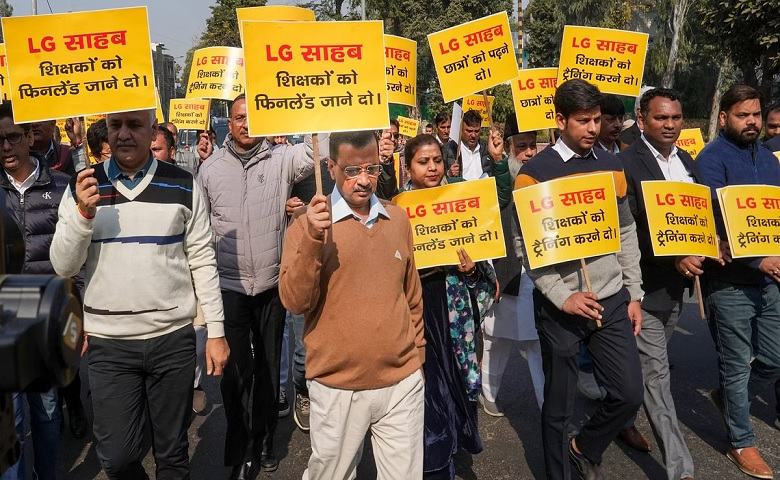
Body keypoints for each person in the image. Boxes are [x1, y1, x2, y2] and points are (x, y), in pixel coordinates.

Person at [50, 107, 229, 479]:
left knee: (173, 454)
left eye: (134, 125)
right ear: (107, 133)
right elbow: (63, 266)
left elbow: (202, 260)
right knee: (116, 458)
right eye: (116, 126)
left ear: (153, 131)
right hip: (110, 345)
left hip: (172, 340)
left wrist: (216, 331)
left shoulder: (183, 183)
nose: (125, 133)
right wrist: (84, 215)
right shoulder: (82, 186)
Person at [514, 79, 644, 480]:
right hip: (561, 309)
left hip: (612, 298)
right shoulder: (533, 175)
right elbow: (526, 247)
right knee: (559, 406)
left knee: (628, 394)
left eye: (596, 120)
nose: (592, 128)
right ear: (560, 120)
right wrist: (561, 295)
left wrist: (634, 292)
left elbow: (625, 232)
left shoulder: (612, 164)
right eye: (583, 121)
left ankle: (584, 446)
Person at [279, 130, 425, 480]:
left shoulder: (398, 219)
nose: (363, 181)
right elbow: (294, 300)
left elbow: (412, 296)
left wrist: (417, 359)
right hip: (335, 385)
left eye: (372, 169)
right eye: (351, 171)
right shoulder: (305, 226)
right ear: (331, 167)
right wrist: (314, 238)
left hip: (401, 383)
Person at [197, 93, 327, 476]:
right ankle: (238, 451)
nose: (245, 124)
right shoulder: (210, 170)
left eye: (252, 117)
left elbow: (318, 149)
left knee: (270, 368)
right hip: (230, 289)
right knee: (235, 375)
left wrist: (320, 102)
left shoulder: (281, 158)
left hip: (272, 286)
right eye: (238, 118)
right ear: (229, 122)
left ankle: (266, 437)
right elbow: (201, 233)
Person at [401, 133, 497, 478]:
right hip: (419, 313)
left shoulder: (463, 200)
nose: (431, 167)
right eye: (422, 162)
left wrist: (472, 270)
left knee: (457, 387)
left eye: (437, 161)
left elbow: (485, 277)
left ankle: (452, 447)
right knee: (428, 394)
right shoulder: (397, 211)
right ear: (408, 167)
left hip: (456, 316)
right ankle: (435, 464)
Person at [697, 84, 780, 480]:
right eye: (743, 115)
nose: (752, 121)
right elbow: (715, 221)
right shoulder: (710, 160)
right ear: (724, 117)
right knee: (735, 365)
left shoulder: (769, 159)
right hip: (729, 282)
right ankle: (741, 442)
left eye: (756, 114)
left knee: (775, 358)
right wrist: (756, 257)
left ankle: (729, 399)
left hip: (770, 281)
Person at [620, 87, 702, 480]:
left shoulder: (686, 160)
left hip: (677, 290)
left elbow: (696, 216)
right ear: (642, 120)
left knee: (637, 376)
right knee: (656, 377)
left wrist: (714, 241)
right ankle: (680, 469)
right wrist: (674, 255)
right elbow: (628, 232)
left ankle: (606, 423)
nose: (670, 125)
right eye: (661, 118)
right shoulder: (625, 164)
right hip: (644, 290)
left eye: (675, 118)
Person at [0, 101, 70, 480]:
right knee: (11, 420)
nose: (6, 147)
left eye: (12, 137)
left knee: (46, 414)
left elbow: (78, 258)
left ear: (29, 137)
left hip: (45, 320)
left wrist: (77, 316)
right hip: (4, 323)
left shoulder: (61, 188)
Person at [480, 112, 544, 417]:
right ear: (508, 147)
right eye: (522, 146)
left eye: (533, 145)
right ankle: (487, 394)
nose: (530, 152)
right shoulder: (494, 178)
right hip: (505, 273)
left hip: (539, 273)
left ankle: (548, 403)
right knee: (496, 339)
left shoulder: (545, 176)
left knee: (537, 343)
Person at [442, 110, 503, 181]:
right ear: (461, 130)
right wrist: (449, 174)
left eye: (477, 131)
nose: (473, 135)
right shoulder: (448, 149)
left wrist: (498, 157)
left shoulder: (488, 148)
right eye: (469, 131)